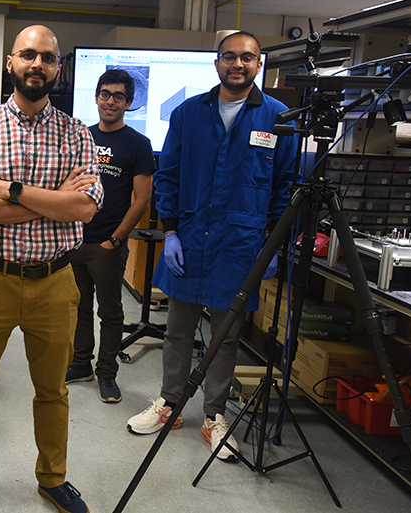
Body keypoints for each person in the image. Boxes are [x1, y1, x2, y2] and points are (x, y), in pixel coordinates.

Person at [0, 25, 103, 513]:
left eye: (48, 58)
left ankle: (52, 479)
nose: (38, 65)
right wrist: (56, 200)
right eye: (29, 55)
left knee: (52, 391)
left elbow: (86, 208)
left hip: (56, 283)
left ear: (58, 68)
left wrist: (11, 190)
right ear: (11, 63)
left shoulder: (77, 132)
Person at [125, 31, 298, 461]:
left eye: (247, 58)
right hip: (189, 237)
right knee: (178, 330)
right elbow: (169, 176)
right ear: (216, 63)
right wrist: (170, 232)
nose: (237, 65)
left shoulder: (279, 119)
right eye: (229, 57)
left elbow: (285, 187)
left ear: (260, 64)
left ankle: (214, 415)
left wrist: (274, 244)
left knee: (225, 334)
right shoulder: (188, 113)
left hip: (240, 246)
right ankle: (170, 404)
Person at [65, 69, 155, 404]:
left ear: (129, 102)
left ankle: (107, 373)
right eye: (105, 94)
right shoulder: (82, 138)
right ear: (97, 97)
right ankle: (80, 364)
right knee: (78, 307)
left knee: (111, 312)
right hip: (75, 241)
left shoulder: (138, 144)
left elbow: (142, 199)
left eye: (118, 96)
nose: (111, 101)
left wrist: (116, 240)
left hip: (107, 245)